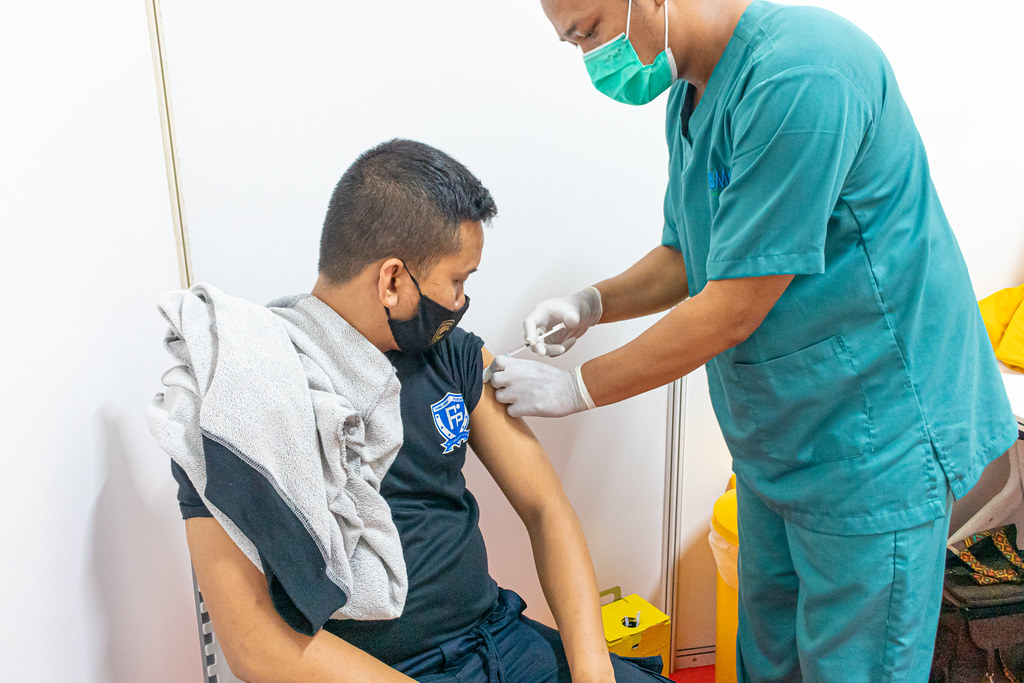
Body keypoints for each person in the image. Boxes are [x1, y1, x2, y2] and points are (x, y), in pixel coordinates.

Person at [489, 1, 1019, 680]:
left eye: (590, 33)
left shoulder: (803, 76)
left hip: (872, 439)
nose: (592, 60)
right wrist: (592, 302)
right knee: (768, 656)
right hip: (782, 443)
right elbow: (692, 255)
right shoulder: (691, 94)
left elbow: (731, 307)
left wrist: (579, 387)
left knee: (853, 664)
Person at [164, 139, 669, 682]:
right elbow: (254, 643)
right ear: (392, 280)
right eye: (457, 282)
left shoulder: (453, 355)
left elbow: (547, 508)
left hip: (498, 638)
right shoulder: (243, 394)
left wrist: (594, 673)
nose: (461, 303)